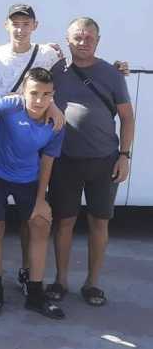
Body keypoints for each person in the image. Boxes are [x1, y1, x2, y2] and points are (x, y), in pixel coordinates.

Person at [47, 17, 135, 307]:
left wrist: (124, 156)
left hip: (105, 160)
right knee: (64, 222)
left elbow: (127, 118)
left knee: (99, 222)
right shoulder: (56, 71)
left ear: (98, 41)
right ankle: (60, 280)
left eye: (89, 38)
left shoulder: (112, 73)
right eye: (77, 37)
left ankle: (92, 283)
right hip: (65, 160)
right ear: (67, 40)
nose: (83, 42)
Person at [0, 67, 65, 319]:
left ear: (53, 95)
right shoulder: (11, 105)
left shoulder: (57, 122)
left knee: (40, 224)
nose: (39, 100)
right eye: (34, 93)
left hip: (28, 179)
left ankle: (36, 294)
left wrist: (41, 200)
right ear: (23, 92)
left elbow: (47, 160)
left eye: (46, 95)